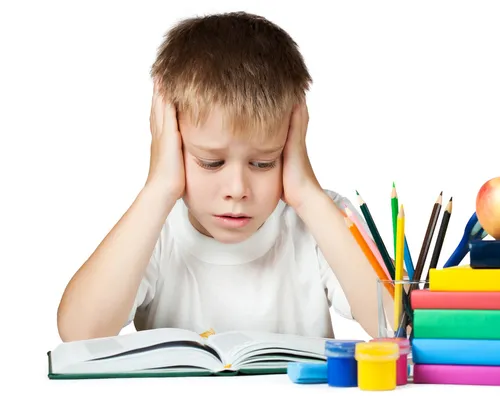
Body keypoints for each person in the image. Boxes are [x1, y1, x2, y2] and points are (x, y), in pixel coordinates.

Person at [56, 11, 388, 342]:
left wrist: (306, 193)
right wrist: (158, 188)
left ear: (290, 146)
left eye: (263, 163)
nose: (237, 189)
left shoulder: (321, 219)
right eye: (211, 162)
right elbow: (80, 335)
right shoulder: (154, 226)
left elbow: (400, 326)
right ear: (171, 143)